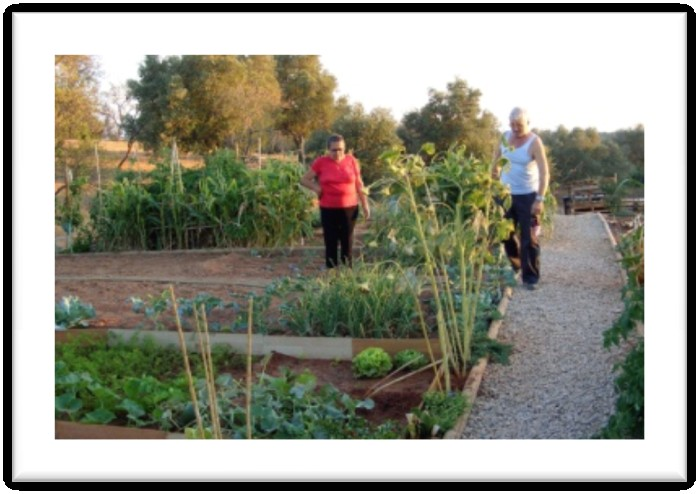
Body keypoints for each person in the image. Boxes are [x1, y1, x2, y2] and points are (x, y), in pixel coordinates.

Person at [491, 107, 550, 290]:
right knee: (505, 234)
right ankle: (517, 265)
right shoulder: (504, 137)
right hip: (505, 195)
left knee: (529, 238)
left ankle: (530, 277)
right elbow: (495, 159)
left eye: (520, 125)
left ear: (528, 123)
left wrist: (539, 199)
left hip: (527, 196)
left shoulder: (534, 142)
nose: (515, 128)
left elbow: (544, 173)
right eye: (512, 124)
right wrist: (493, 177)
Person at [300, 134, 370, 269]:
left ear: (345, 149)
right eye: (334, 150)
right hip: (328, 208)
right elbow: (304, 180)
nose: (338, 153)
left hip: (349, 208)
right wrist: (316, 188)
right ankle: (331, 271)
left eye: (340, 149)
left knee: (347, 240)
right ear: (328, 149)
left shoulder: (352, 161)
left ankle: (347, 272)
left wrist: (365, 204)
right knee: (330, 240)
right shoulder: (321, 162)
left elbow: (359, 184)